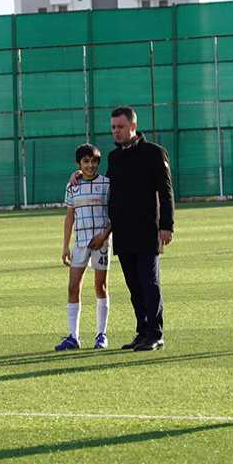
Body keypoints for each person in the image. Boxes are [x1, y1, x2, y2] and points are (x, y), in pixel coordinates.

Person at [76, 107, 174, 351]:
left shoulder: (154, 153)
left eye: (120, 127)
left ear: (132, 126)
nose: (115, 131)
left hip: (148, 229)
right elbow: (104, 184)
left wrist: (167, 226)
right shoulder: (115, 157)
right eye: (112, 127)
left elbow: (166, 191)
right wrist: (80, 174)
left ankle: (156, 333)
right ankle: (142, 331)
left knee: (149, 282)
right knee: (134, 285)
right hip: (123, 231)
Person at [56, 143, 112, 351]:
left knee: (100, 287)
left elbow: (114, 213)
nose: (90, 165)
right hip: (80, 243)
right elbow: (69, 216)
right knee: (73, 287)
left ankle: (101, 335)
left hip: (102, 242)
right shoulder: (73, 185)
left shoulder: (107, 184)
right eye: (86, 161)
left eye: (94, 161)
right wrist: (65, 246)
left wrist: (105, 235)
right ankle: (73, 337)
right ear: (79, 164)